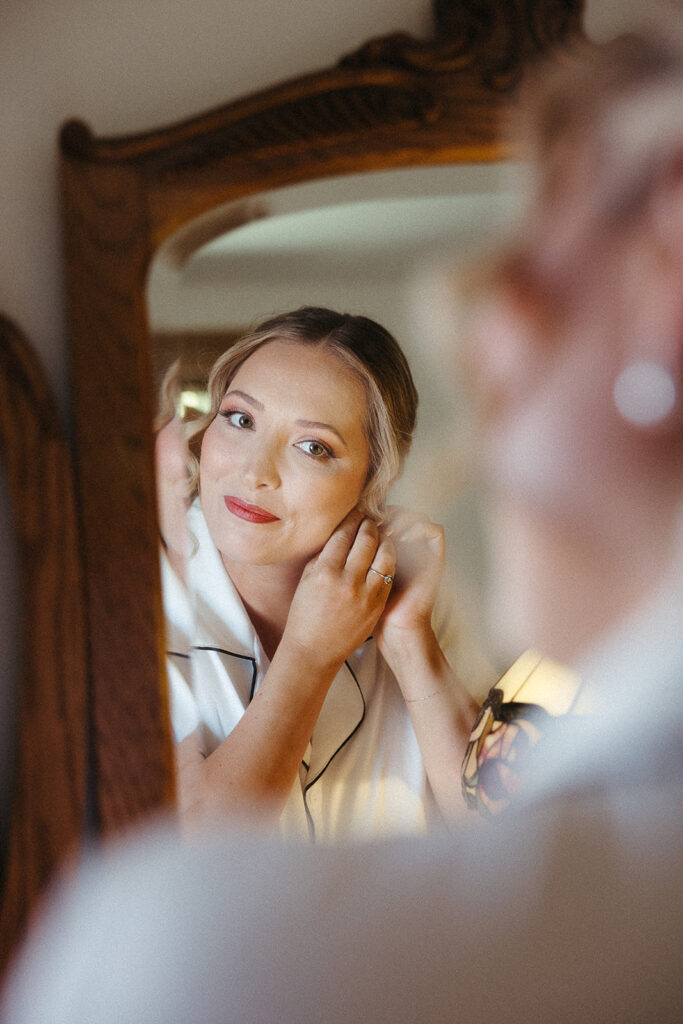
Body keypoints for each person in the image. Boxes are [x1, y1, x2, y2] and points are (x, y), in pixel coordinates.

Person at [167, 306, 480, 841]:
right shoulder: (136, 598)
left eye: (313, 447)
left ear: (373, 482)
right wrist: (308, 656)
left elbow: (511, 834)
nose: (254, 472)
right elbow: (192, 851)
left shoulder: (423, 603)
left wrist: (411, 644)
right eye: (241, 419)